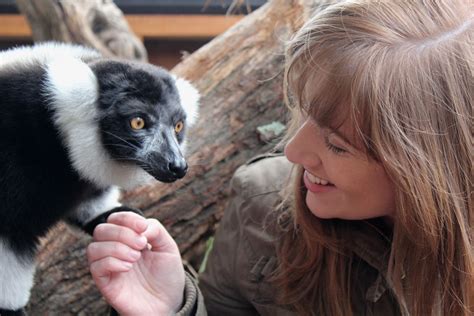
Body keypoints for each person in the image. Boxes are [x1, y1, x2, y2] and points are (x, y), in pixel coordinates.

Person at [86, 0, 473, 315]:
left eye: (337, 145)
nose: (293, 152)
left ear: (429, 168)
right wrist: (172, 308)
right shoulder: (262, 205)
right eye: (304, 113)